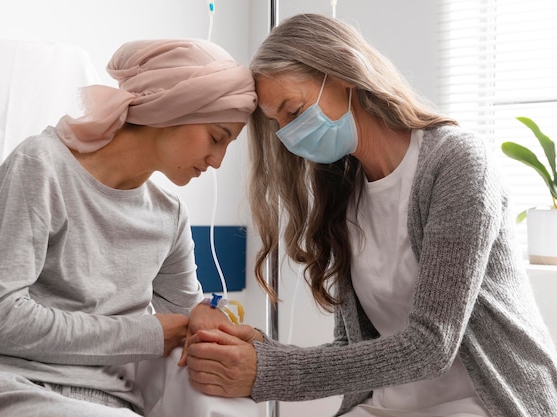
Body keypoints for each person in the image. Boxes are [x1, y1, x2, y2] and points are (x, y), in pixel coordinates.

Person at [182, 13, 557, 417]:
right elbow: (354, 352)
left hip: (487, 403)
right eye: (278, 123)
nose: (288, 135)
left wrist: (268, 371)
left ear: (343, 73)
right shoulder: (343, 192)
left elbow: (431, 346)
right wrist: (259, 348)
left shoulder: (458, 164)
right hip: (389, 403)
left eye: (293, 110)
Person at [0, 38, 258, 417]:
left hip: (106, 403)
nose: (217, 161)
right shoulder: (41, 165)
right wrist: (148, 334)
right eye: (217, 137)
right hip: (0, 383)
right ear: (174, 109)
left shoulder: (169, 216)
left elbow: (187, 321)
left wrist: (207, 319)